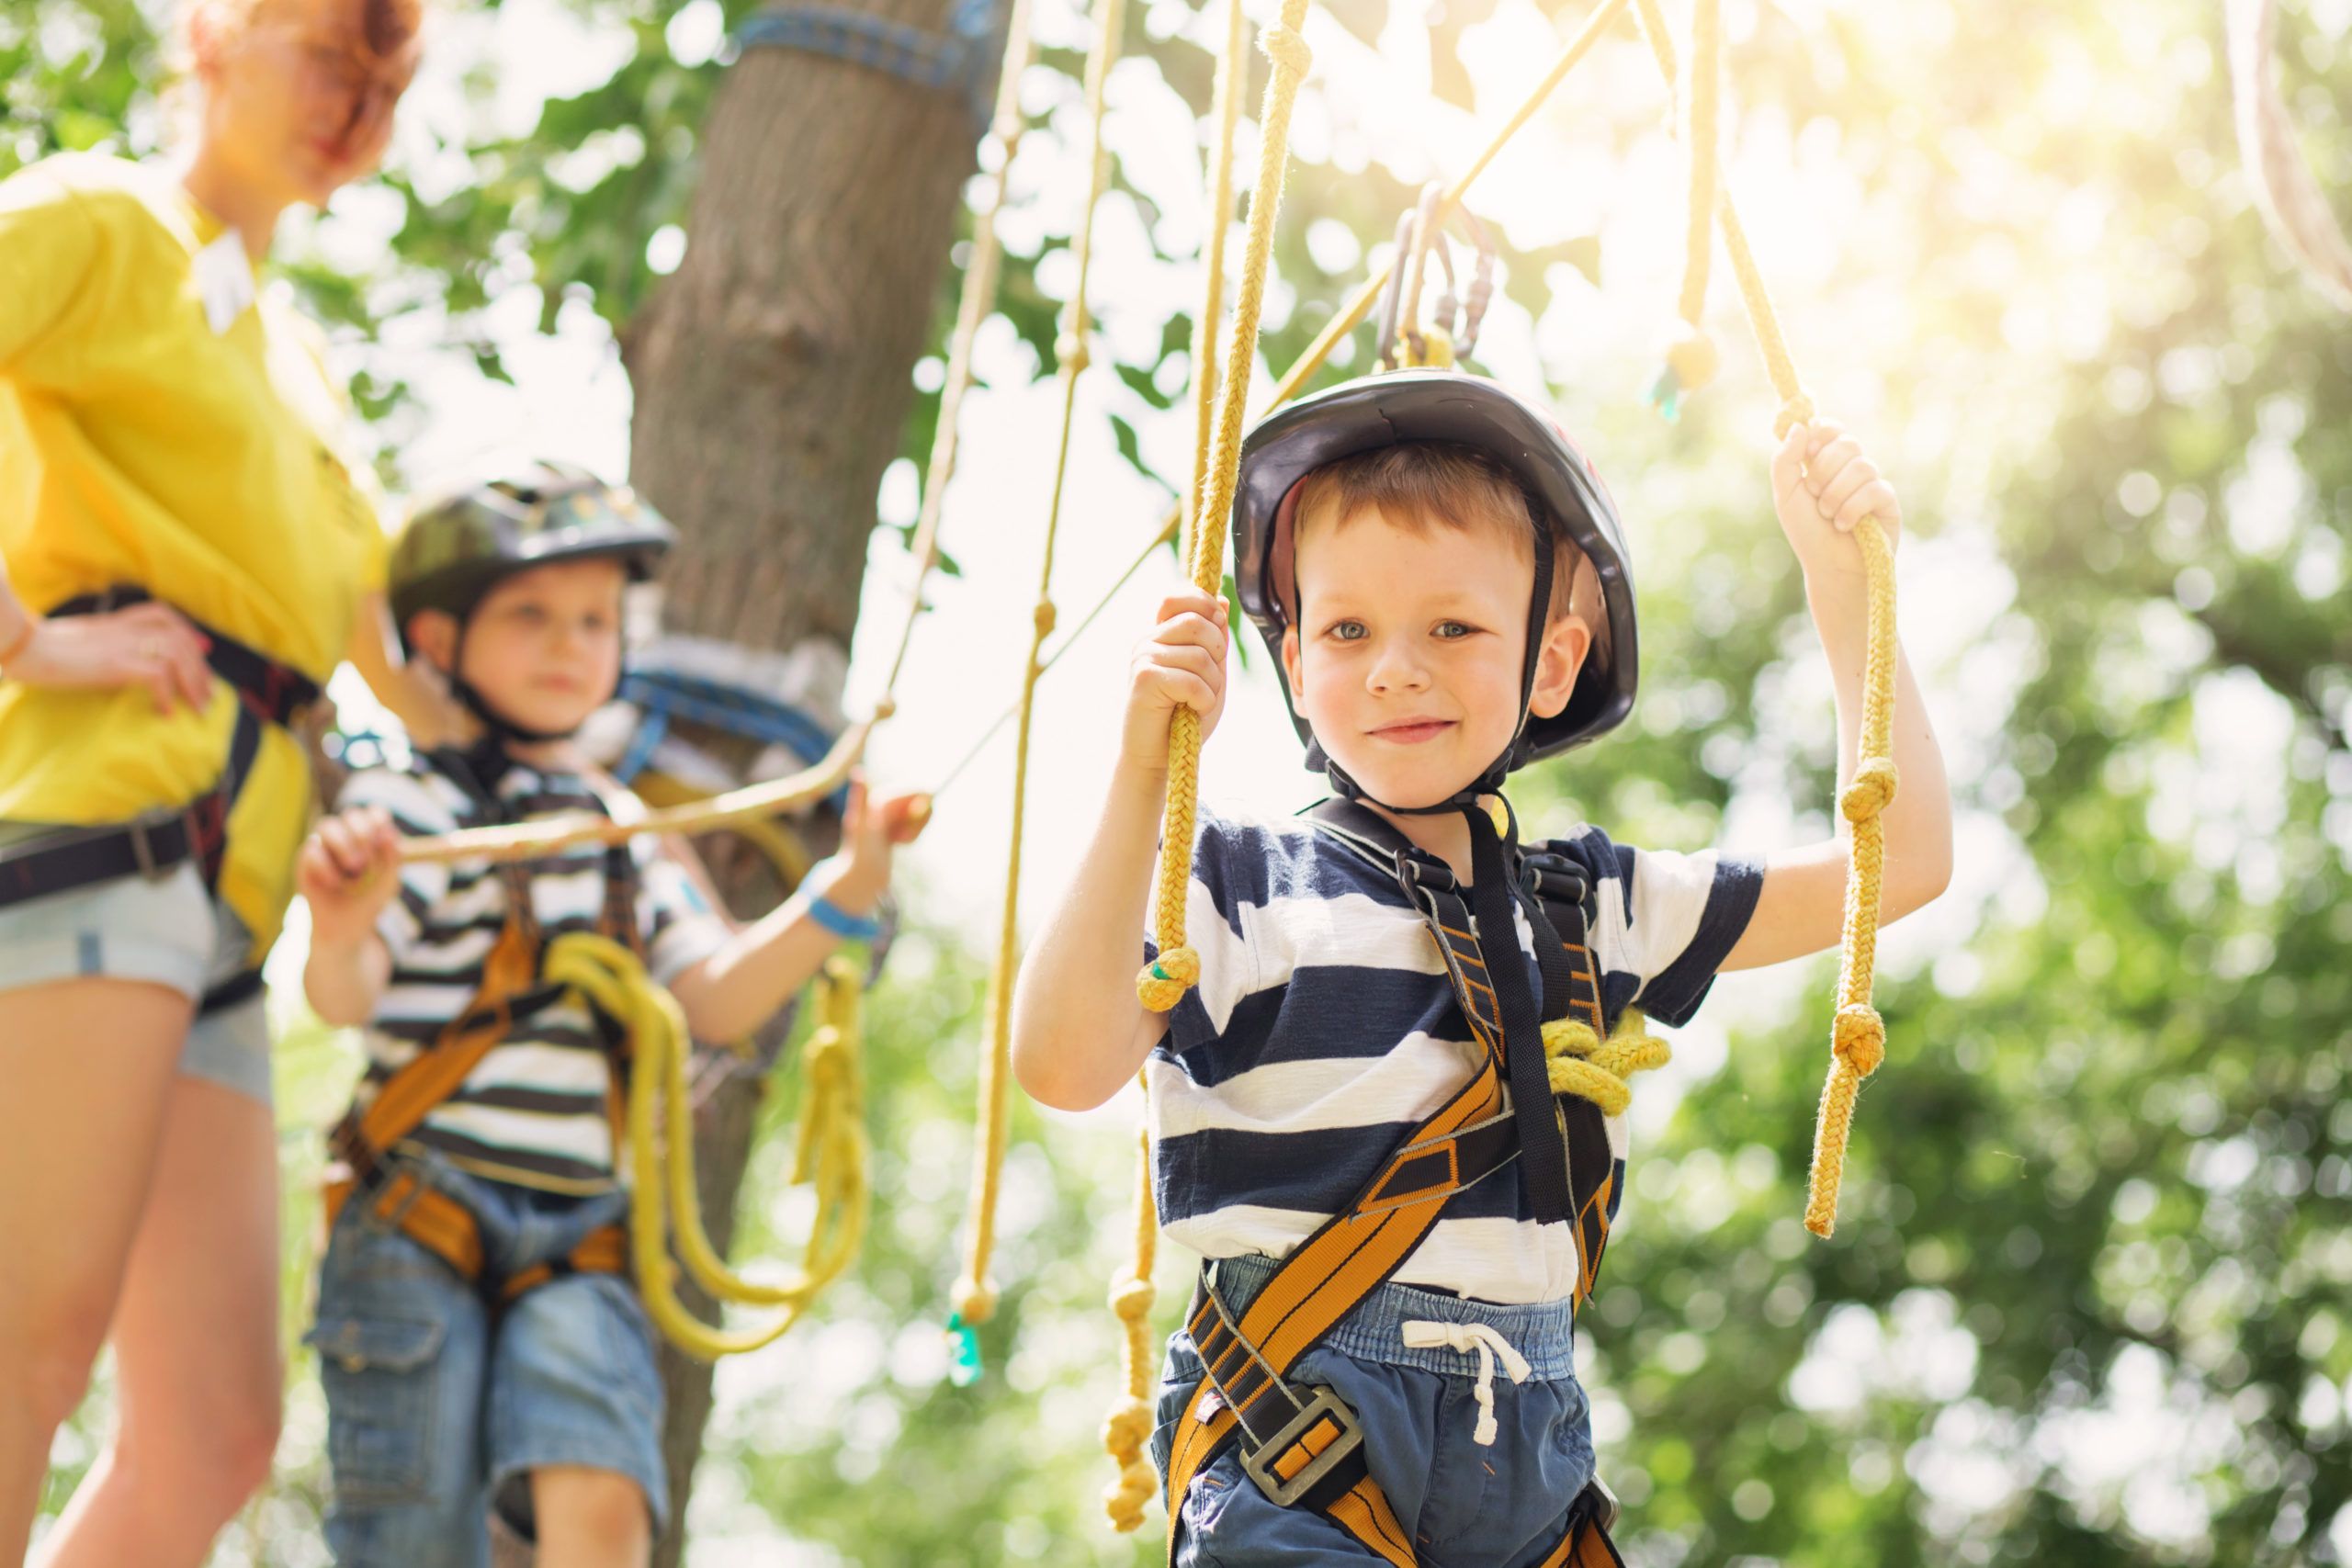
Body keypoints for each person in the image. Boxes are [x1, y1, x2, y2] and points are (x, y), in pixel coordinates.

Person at [1012, 369, 1954, 1564]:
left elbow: (1903, 858)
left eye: (1452, 627)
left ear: (1550, 662)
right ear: (1295, 659)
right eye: (1348, 629)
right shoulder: (1237, 885)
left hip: (1530, 1450)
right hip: (1296, 1440)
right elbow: (1060, 1060)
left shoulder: (1596, 905)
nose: (1397, 667)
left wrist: (1843, 585)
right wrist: (1140, 775)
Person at [0, 1, 451, 1561]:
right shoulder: (97, 217)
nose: (359, 95)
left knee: (209, 1436)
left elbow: (407, 665)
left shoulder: (297, 363)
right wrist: (28, 643)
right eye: (331, 48)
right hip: (95, 828)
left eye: (388, 75)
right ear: (212, 38)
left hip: (229, 898)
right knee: (24, 1350)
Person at [296, 464, 926, 1567]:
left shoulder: (618, 826)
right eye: (529, 615)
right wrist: (342, 923)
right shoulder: (413, 809)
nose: (568, 644)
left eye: (594, 620)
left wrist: (850, 885)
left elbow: (717, 993)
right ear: (439, 640)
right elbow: (343, 996)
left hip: (577, 1227)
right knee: (411, 1531)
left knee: (606, 1513)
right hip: (416, 1209)